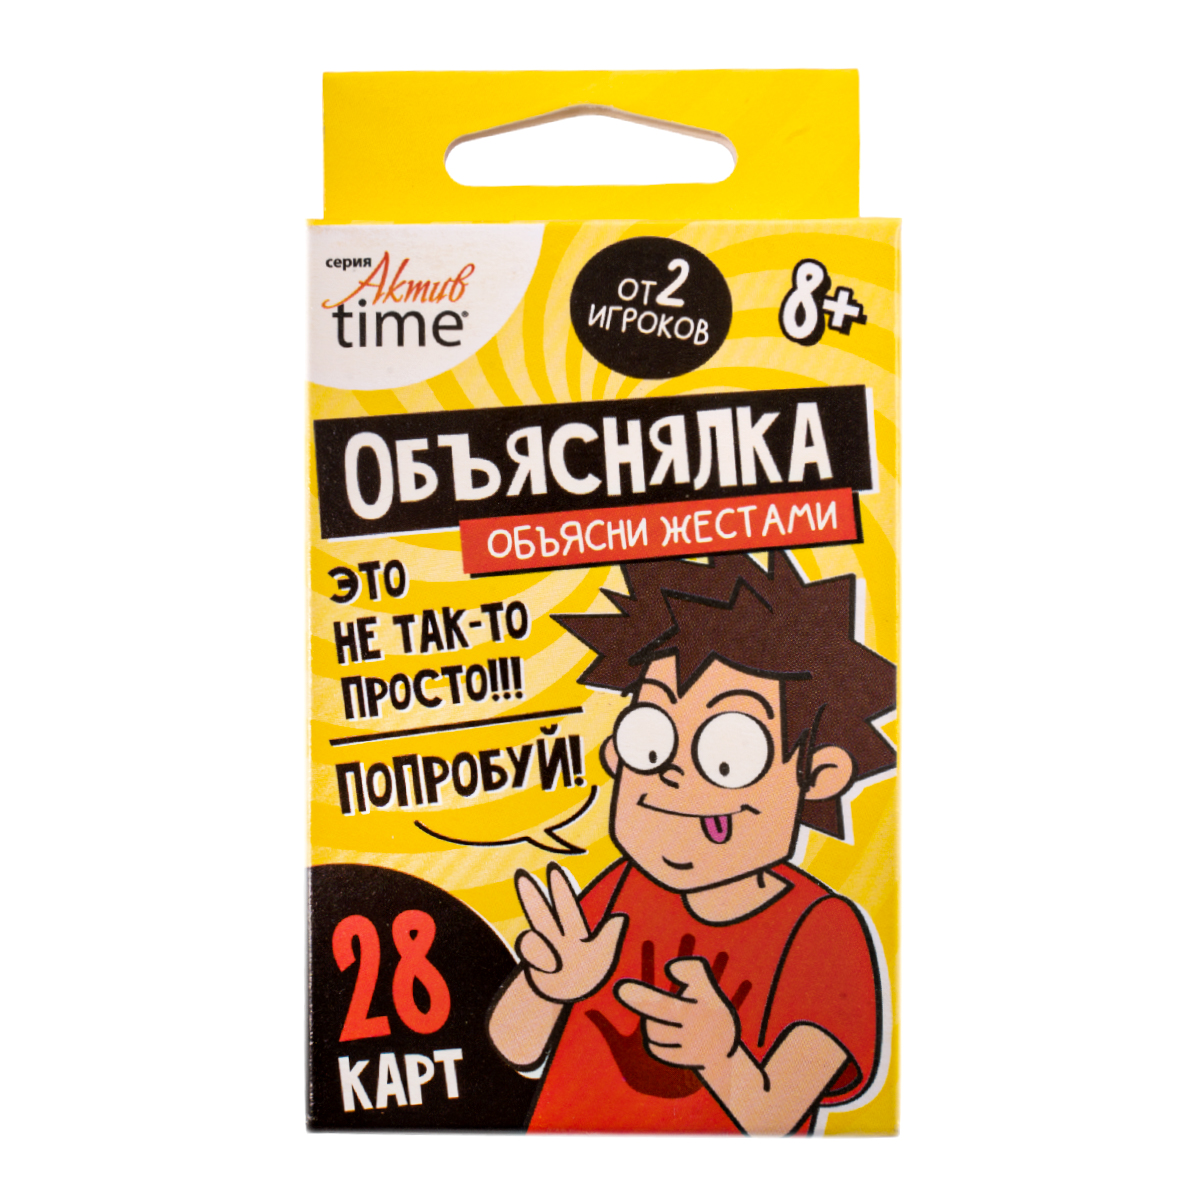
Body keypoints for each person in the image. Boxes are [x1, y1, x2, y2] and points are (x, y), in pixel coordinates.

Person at [487, 551, 896, 1135]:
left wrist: (720, 1056)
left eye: (729, 753)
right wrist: (548, 988)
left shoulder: (823, 931)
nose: (675, 775)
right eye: (651, 738)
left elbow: (775, 1117)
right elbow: (514, 1045)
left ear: (819, 774)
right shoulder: (622, 890)